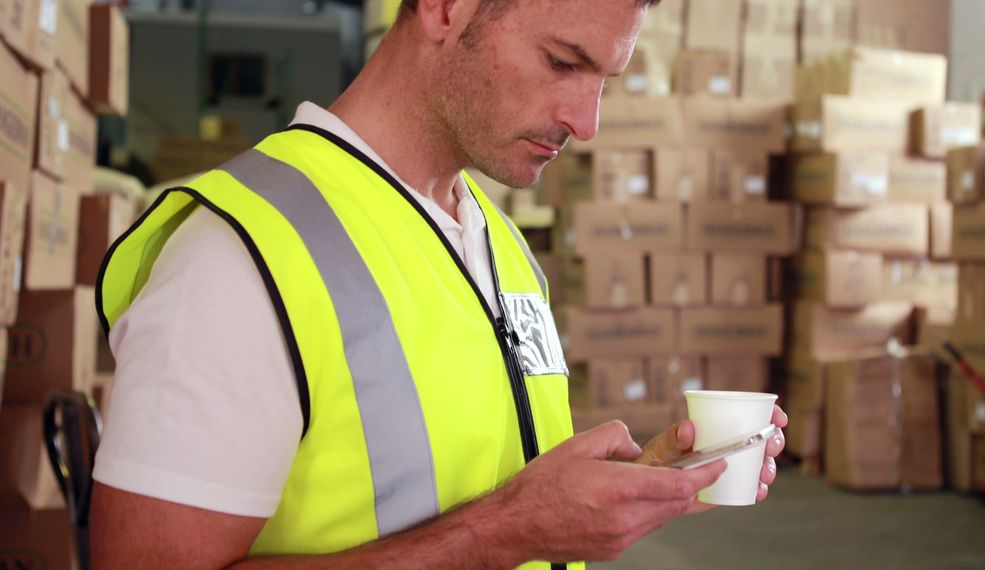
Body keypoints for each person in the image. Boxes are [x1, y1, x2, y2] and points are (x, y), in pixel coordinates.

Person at [90, 0, 788, 567]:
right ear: (447, 9)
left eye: (604, 78)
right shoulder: (237, 261)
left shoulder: (498, 242)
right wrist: (502, 533)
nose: (587, 121)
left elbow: (480, 469)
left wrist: (629, 490)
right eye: (561, 62)